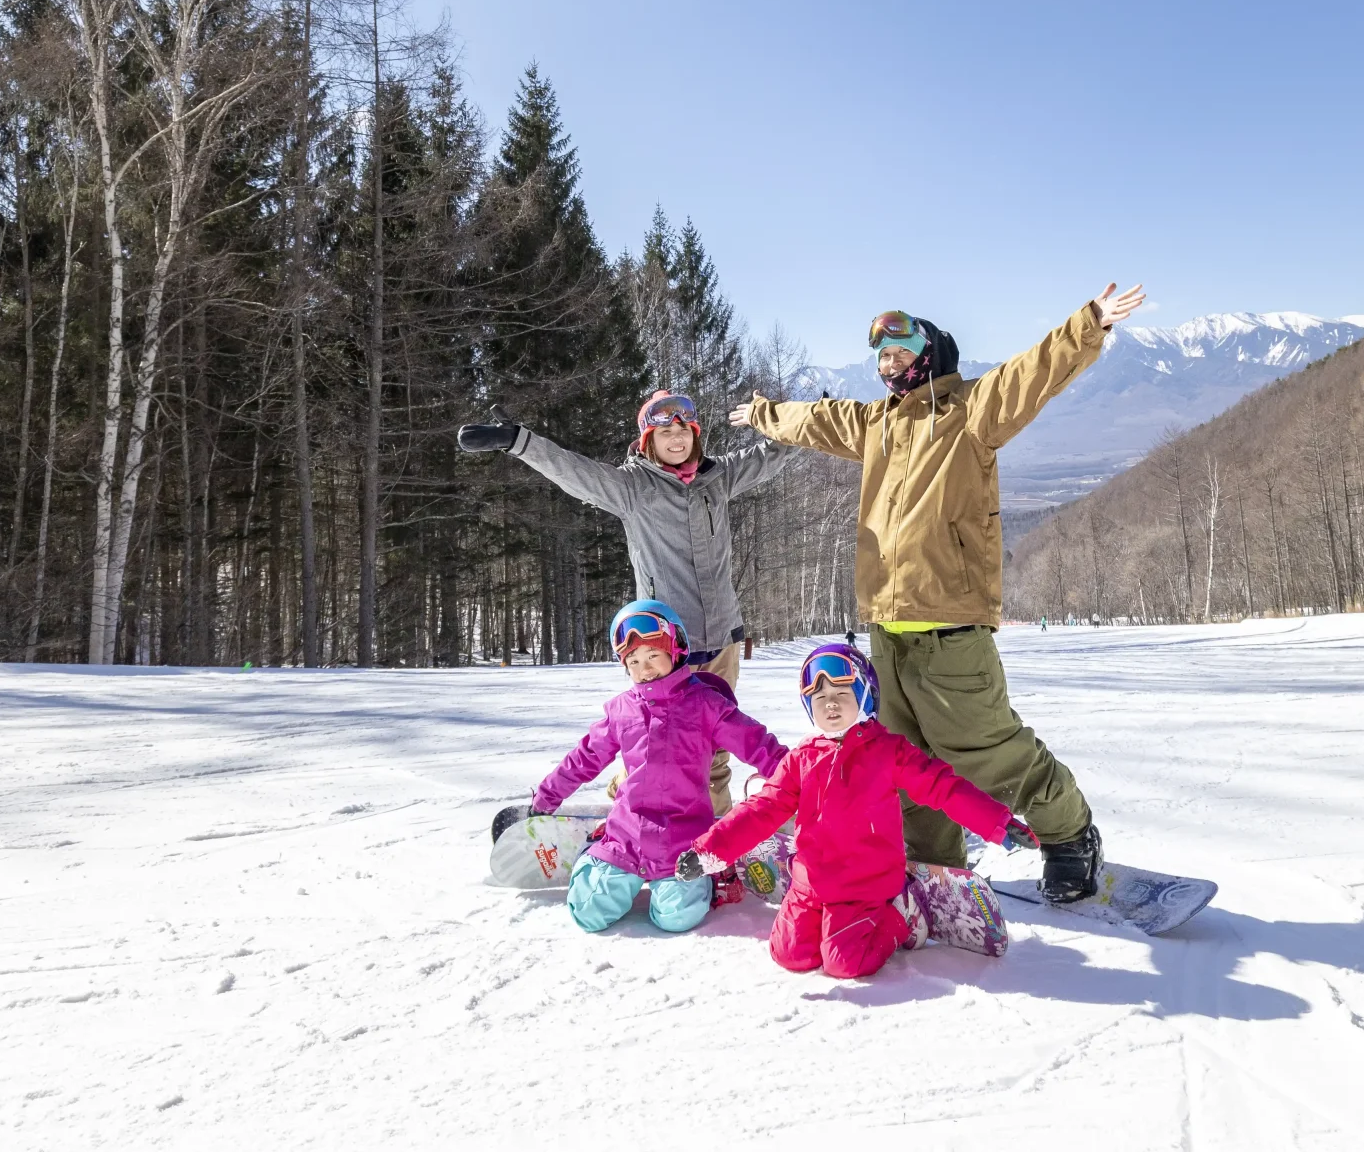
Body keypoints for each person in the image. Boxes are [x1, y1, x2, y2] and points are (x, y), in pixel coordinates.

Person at [726, 282, 1147, 903]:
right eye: (883, 357)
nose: (890, 364)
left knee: (987, 750)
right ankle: (932, 866)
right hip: (886, 629)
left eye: (901, 352)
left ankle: (1069, 836)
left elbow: (1032, 373)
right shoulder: (875, 424)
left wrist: (1090, 323)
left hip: (950, 623)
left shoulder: (970, 410)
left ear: (929, 353)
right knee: (905, 760)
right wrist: (764, 413)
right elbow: (814, 418)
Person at [459, 391, 789, 811]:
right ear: (649, 439)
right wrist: (519, 441)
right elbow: (574, 470)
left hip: (722, 637)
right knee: (657, 740)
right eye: (665, 432)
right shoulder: (632, 487)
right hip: (665, 646)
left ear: (695, 435)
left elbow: (775, 451)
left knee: (717, 741)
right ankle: (632, 796)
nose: (676, 439)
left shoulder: (717, 477)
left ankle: (714, 828)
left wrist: (808, 417)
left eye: (684, 431)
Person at [679, 643, 1033, 979]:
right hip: (810, 884)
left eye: (841, 694)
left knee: (846, 963)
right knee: (789, 954)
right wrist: (708, 851)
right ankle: (825, 921)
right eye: (820, 698)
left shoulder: (888, 751)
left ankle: (904, 913)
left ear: (864, 696)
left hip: (865, 885)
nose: (830, 704)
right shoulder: (801, 759)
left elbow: (942, 786)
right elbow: (762, 808)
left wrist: (996, 822)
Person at [528, 598, 789, 934]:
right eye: (633, 661)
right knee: (587, 912)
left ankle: (710, 880)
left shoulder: (706, 704)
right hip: (626, 837)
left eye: (653, 655)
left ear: (676, 650)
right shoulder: (622, 710)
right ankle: (596, 848)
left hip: (683, 842)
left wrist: (801, 779)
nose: (645, 668)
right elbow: (584, 758)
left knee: (676, 917)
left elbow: (757, 744)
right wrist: (547, 797)